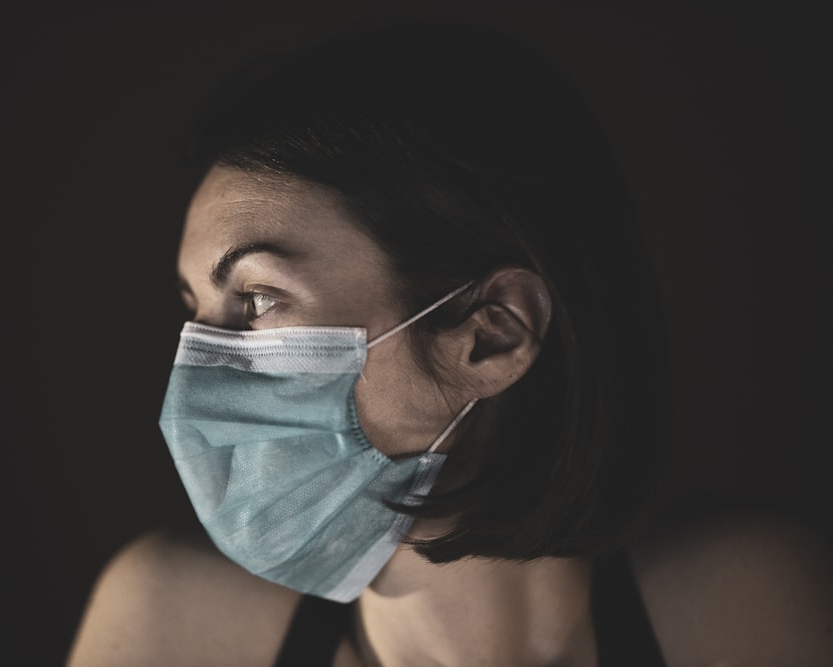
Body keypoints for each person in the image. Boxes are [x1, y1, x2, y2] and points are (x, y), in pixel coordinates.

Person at [67, 20, 833, 666]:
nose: (198, 372)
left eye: (257, 299)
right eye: (195, 311)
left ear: (492, 333)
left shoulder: (745, 605)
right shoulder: (171, 623)